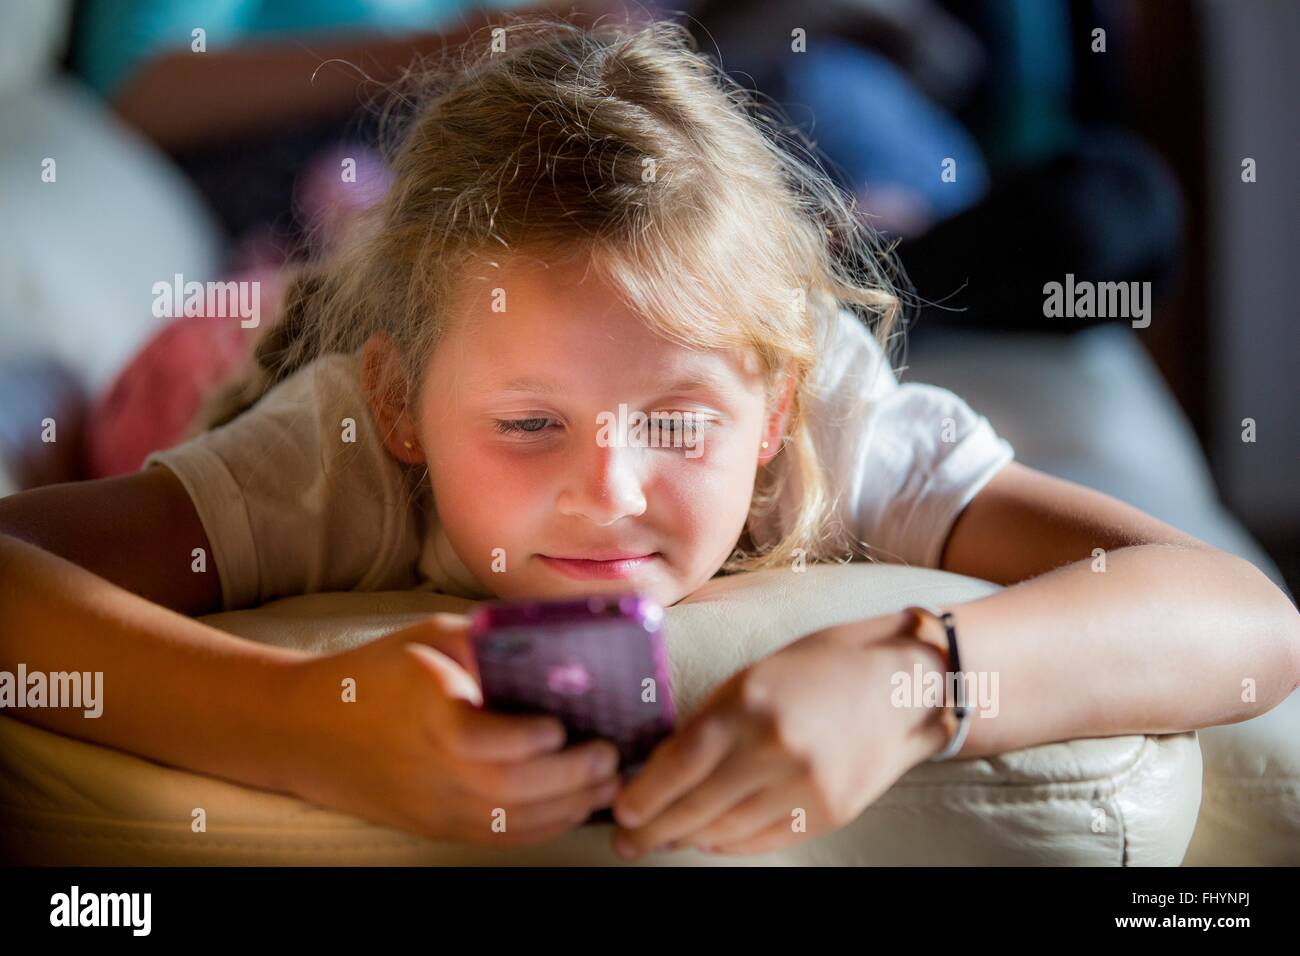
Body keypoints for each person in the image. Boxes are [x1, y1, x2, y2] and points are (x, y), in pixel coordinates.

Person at [2, 16, 1295, 860]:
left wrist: (920, 681)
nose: (608, 489)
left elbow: (1247, 620)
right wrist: (310, 719)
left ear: (775, 410)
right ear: (404, 412)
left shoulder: (834, 428)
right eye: (527, 425)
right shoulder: (344, 446)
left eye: (678, 422)